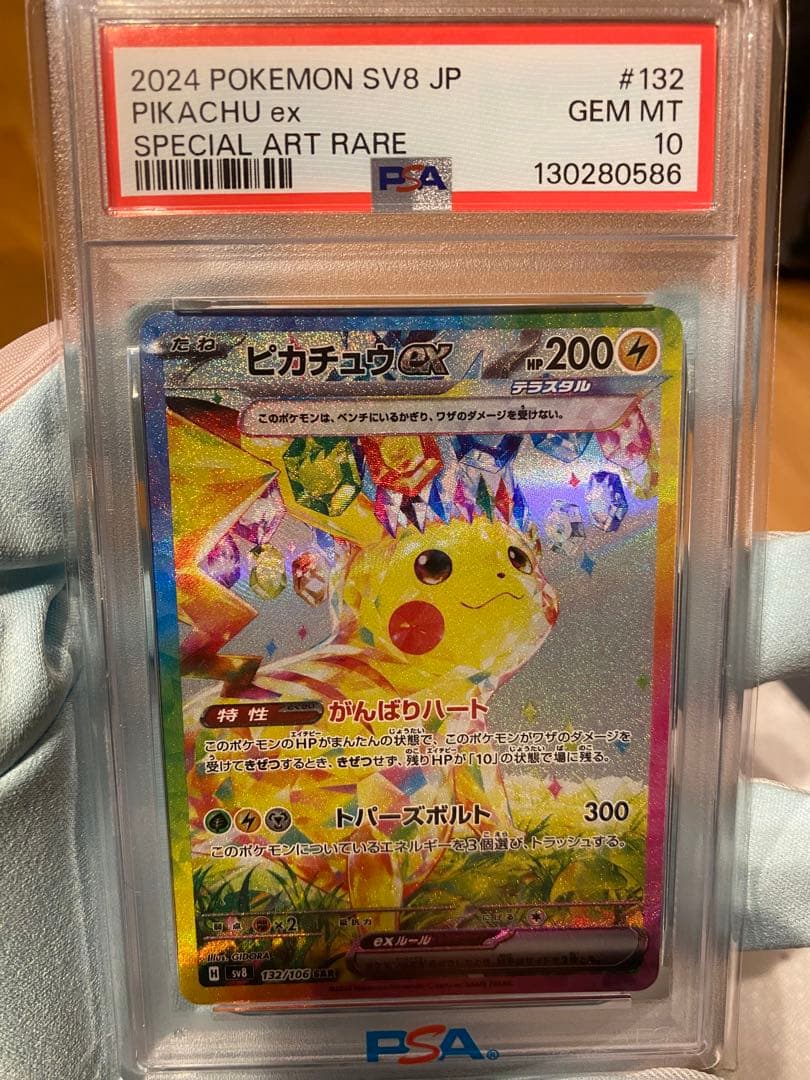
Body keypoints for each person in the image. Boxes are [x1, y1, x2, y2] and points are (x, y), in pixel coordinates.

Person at [1, 325, 807, 1079]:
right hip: (233, 873)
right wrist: (369, 939)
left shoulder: (454, 710)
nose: (507, 580)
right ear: (368, 596)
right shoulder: (368, 700)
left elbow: (470, 789)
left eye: (520, 559)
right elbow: (377, 821)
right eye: (434, 568)